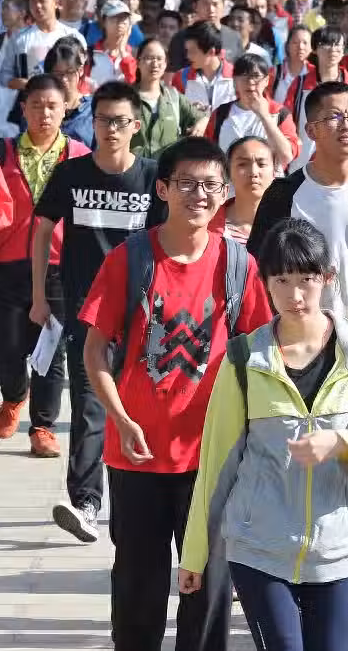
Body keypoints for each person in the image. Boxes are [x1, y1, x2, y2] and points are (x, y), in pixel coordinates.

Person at [178, 216, 348, 651]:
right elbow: (215, 464)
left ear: (328, 278)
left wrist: (343, 443)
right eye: (282, 281)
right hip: (259, 549)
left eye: (306, 279)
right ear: (265, 283)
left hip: (339, 552)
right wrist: (195, 554)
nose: (295, 295)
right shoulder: (243, 358)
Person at [80, 134, 272, 650]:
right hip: (136, 454)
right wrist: (120, 418)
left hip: (212, 456)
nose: (199, 195)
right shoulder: (129, 259)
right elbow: (95, 351)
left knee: (208, 590)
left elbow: (262, 356)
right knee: (137, 586)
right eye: (186, 184)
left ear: (224, 192)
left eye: (210, 185)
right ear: (162, 189)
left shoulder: (239, 265)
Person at [31, 81, 165, 543]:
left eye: (120, 121)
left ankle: (142, 495)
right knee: (89, 406)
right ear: (93, 122)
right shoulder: (71, 174)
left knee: (141, 403)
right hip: (86, 312)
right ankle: (86, 502)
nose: (111, 129)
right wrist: (39, 295)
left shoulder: (153, 178)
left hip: (143, 314)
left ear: (136, 126)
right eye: (103, 119)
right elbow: (42, 230)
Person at [0, 75, 92, 456]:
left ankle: (43, 427)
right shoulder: (1, 152)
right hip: (6, 263)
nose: (44, 113)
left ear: (65, 108)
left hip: (59, 264)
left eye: (52, 106)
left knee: (51, 348)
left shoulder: (81, 157)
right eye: (36, 105)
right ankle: (14, 395)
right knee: (6, 346)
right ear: (23, 110)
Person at [248, 82, 348, 313]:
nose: (346, 125)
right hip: (303, 327)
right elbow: (261, 270)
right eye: (334, 117)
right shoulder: (284, 193)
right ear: (311, 131)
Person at [204, 53, 299, 167]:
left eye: (256, 76)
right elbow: (208, 155)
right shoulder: (220, 113)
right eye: (244, 75)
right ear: (235, 81)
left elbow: (286, 156)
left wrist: (264, 116)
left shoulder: (280, 113)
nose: (250, 82)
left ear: (266, 80)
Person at [285, 26, 348, 167]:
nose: (332, 49)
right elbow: (287, 122)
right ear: (314, 49)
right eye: (326, 44)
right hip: (302, 162)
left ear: (343, 50)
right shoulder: (299, 84)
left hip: (343, 162)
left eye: (337, 45)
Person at [0, 0, 86, 94]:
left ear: (57, 3)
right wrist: (26, 84)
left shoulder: (73, 36)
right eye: (33, 1)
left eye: (42, 1)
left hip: (65, 99)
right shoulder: (19, 38)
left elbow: (83, 72)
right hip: (33, 100)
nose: (37, 6)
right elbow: (4, 76)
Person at [131, 38, 208, 158]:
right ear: (138, 62)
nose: (155, 64)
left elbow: (202, 118)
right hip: (134, 167)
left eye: (159, 59)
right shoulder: (125, 97)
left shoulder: (174, 97)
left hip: (167, 168)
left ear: (165, 64)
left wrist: (202, 123)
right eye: (149, 58)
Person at [210, 136, 275, 244]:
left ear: (274, 172)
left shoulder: (288, 224)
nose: (253, 172)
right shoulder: (206, 224)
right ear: (228, 172)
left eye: (261, 164)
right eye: (243, 164)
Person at [167, 0, 243, 71]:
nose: (211, 9)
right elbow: (173, 74)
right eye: (205, 4)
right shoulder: (181, 38)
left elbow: (240, 73)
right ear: (195, 6)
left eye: (215, 4)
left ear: (223, 5)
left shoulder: (234, 37)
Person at [39, 38, 95, 147]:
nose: (64, 79)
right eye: (58, 73)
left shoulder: (93, 110)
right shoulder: (38, 107)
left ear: (80, 70)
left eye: (69, 72)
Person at [173, 21, 236, 112]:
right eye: (187, 50)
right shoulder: (180, 77)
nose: (188, 56)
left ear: (211, 51)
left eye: (193, 51)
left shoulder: (236, 77)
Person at [0, 0, 27, 135]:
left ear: (21, 13)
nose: (2, 12)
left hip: (15, 123)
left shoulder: (29, 43)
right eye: (1, 8)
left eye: (6, 8)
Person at [271, 25, 311, 106]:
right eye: (295, 42)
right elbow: (265, 98)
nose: (300, 47)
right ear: (287, 45)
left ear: (311, 48)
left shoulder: (314, 74)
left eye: (305, 43)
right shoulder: (274, 72)